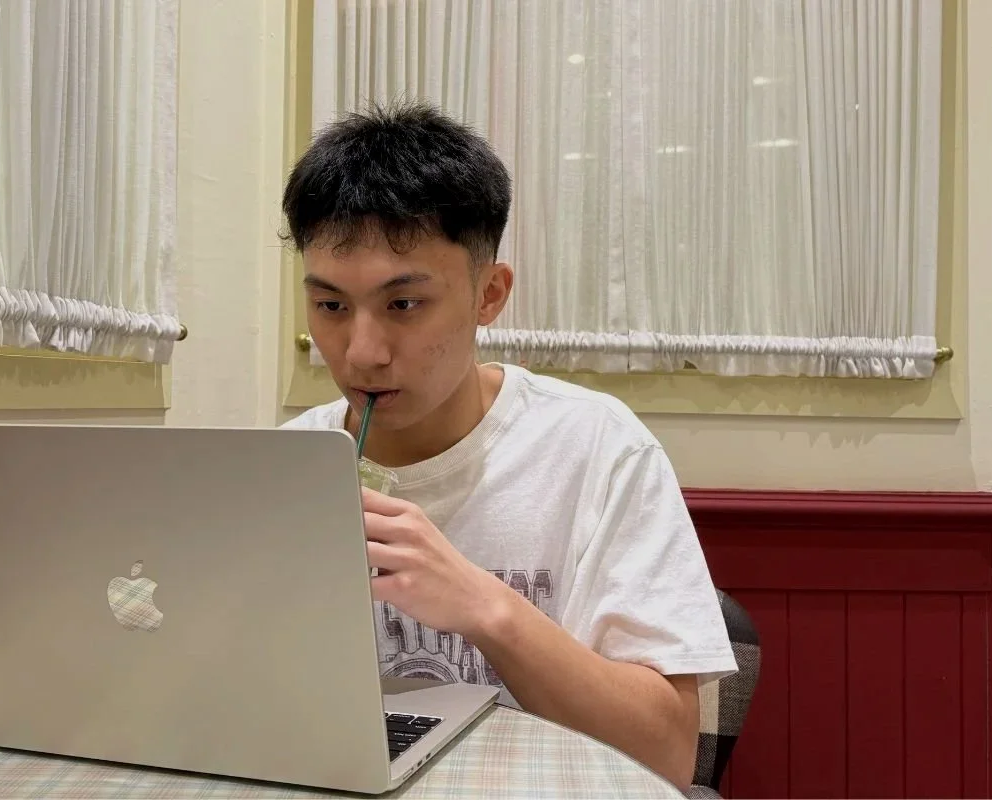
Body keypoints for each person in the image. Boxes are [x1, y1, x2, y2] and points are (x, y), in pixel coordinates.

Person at [280, 100, 736, 791]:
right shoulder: (290, 466)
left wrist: (487, 609)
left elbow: (669, 756)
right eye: (331, 307)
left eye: (403, 305)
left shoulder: (597, 448)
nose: (361, 353)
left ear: (489, 294)